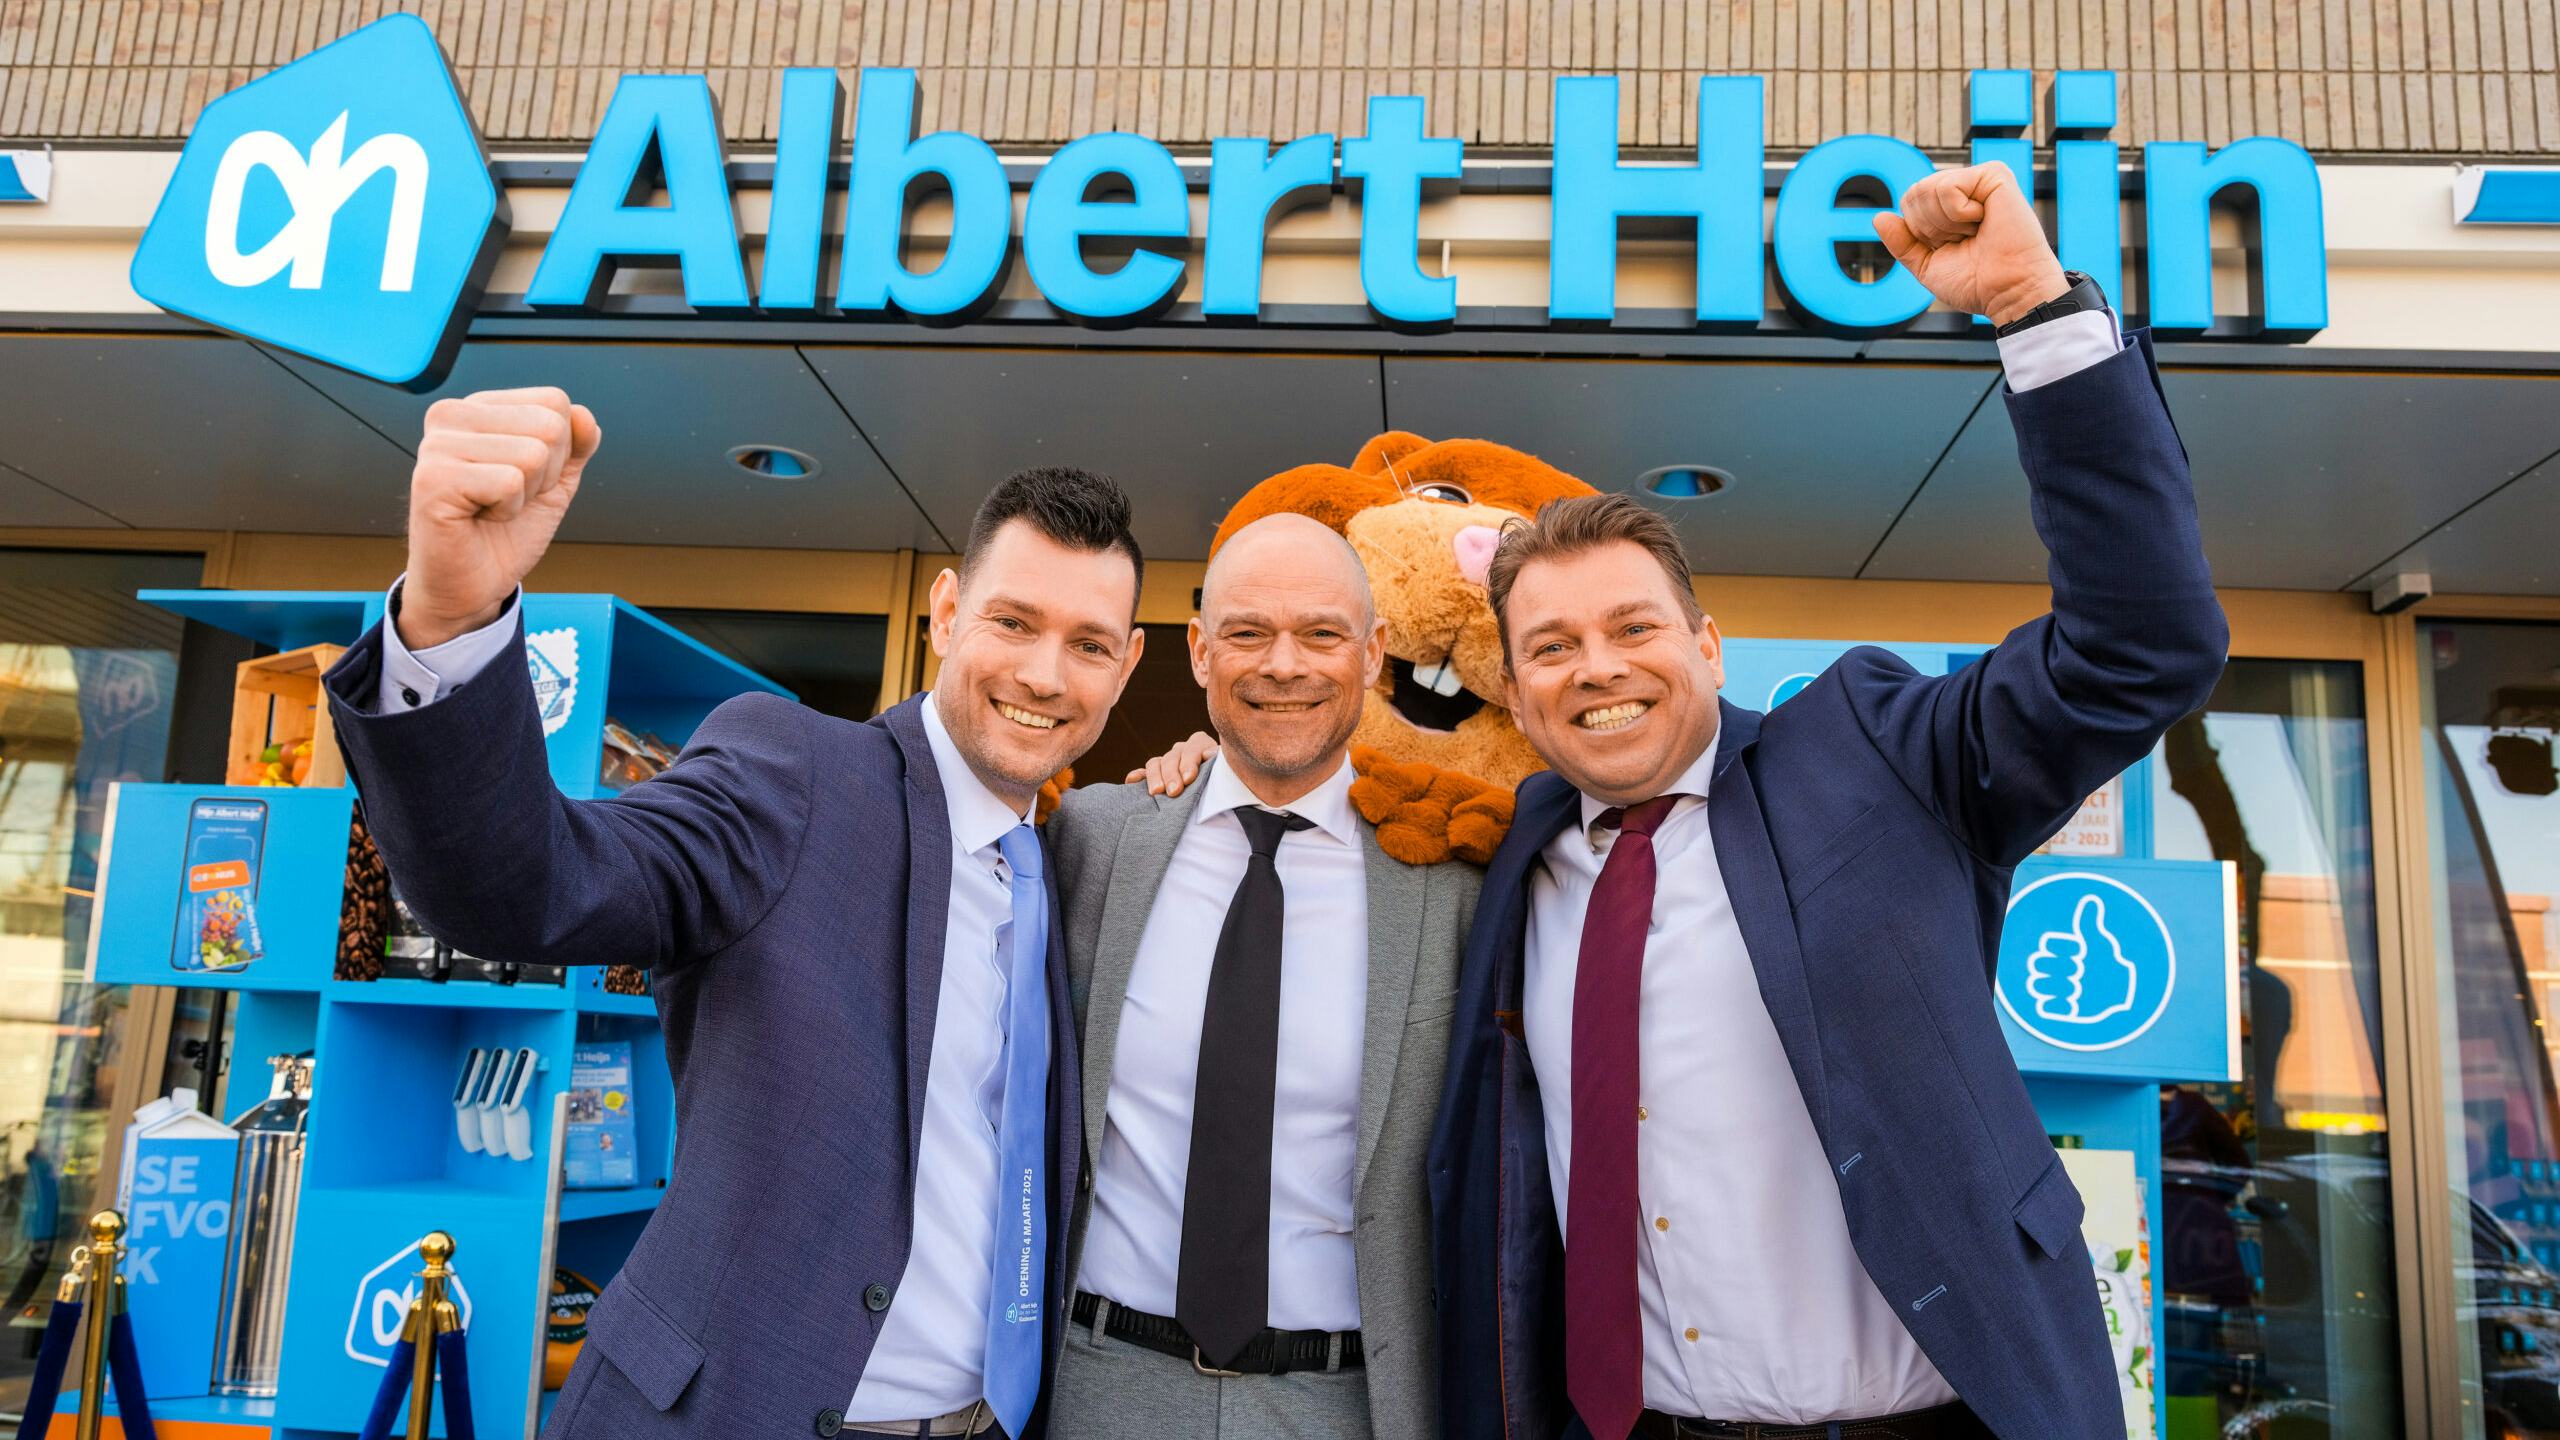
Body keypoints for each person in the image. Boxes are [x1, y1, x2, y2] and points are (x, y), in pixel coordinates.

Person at [1428, 162, 2231, 1439]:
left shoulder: (1870, 755)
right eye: (1552, 647)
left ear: (1708, 648)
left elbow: (2141, 648)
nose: (1597, 670)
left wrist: (2033, 310)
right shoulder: (1512, 856)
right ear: (1517, 696)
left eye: (1633, 627)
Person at [320, 389, 1150, 1440]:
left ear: (1127, 666)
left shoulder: (1068, 868)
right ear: (946, 613)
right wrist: (450, 621)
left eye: (1088, 645)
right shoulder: (796, 772)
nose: (1043, 674)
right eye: (1013, 622)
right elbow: (531, 887)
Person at [1040, 514, 1480, 1439]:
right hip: (1101, 1383)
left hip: (1345, 1402)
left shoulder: (1448, 879)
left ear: (1373, 654)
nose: (1285, 665)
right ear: (1200, 652)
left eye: (1321, 633)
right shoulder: (1095, 839)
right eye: (1247, 632)